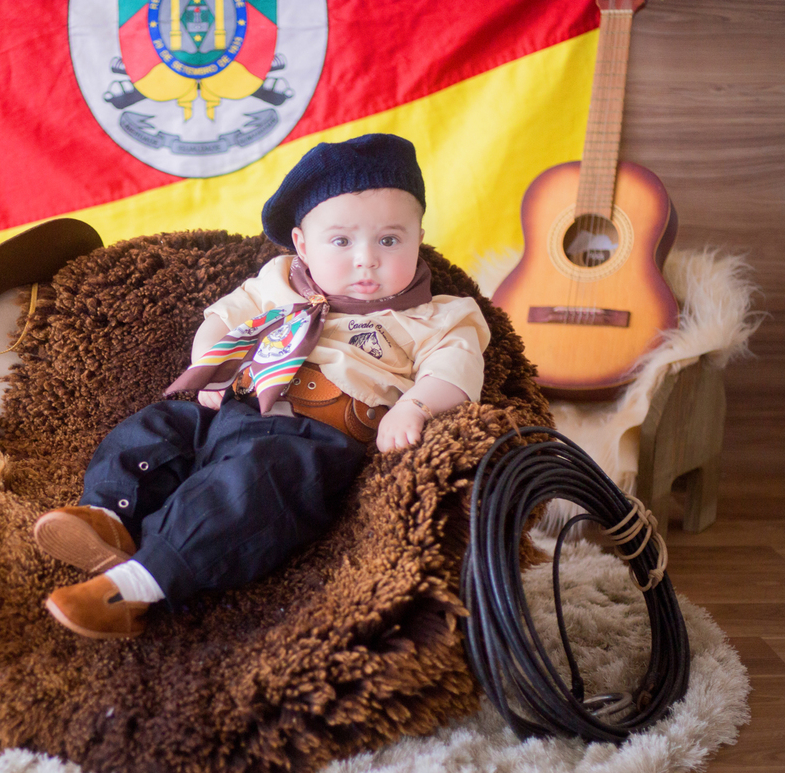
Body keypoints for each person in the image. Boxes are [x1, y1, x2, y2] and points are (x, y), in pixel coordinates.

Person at [33, 133, 491, 639]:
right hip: (232, 408)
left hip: (311, 443)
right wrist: (215, 365)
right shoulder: (276, 283)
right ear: (301, 244)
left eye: (390, 240)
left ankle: (137, 586)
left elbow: (454, 373)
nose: (366, 259)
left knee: (250, 487)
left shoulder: (440, 316)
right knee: (156, 427)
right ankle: (107, 515)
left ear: (418, 236)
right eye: (341, 241)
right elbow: (221, 320)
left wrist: (416, 408)